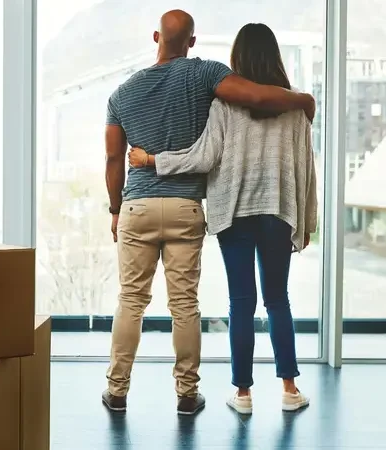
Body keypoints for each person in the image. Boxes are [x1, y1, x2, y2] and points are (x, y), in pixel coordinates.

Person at [103, 10, 316, 416]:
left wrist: (133, 184)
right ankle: (259, 390)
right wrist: (307, 220)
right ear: (193, 41)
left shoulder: (129, 94)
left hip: (190, 208)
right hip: (235, 211)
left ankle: (235, 394)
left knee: (139, 299)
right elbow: (304, 166)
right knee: (264, 301)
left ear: (156, 37)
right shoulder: (278, 104)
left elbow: (124, 157)